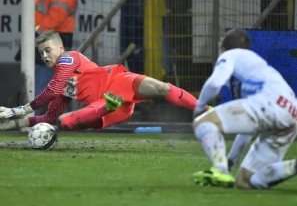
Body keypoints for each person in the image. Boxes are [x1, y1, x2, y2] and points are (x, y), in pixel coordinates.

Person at [0, 30, 210, 132]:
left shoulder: (68, 58)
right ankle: (108, 106)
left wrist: (20, 109)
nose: (45, 56)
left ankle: (206, 110)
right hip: (104, 106)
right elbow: (48, 116)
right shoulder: (61, 84)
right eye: (41, 52)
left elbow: (53, 89)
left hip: (118, 81)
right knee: (64, 121)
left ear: (60, 48)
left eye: (48, 50)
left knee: (161, 87)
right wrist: (13, 123)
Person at [191, 28, 297, 188]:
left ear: (223, 49)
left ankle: (218, 169)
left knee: (203, 123)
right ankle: (296, 166)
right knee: (245, 181)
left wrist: (199, 108)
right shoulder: (254, 67)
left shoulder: (230, 55)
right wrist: (231, 164)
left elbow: (214, 83)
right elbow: (247, 130)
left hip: (269, 102)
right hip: (293, 114)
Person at [15, 0, 78, 115]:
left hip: (51, 41)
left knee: (43, 85)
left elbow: (56, 16)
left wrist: (36, 34)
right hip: (44, 41)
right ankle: (33, 119)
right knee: (39, 84)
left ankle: (30, 119)